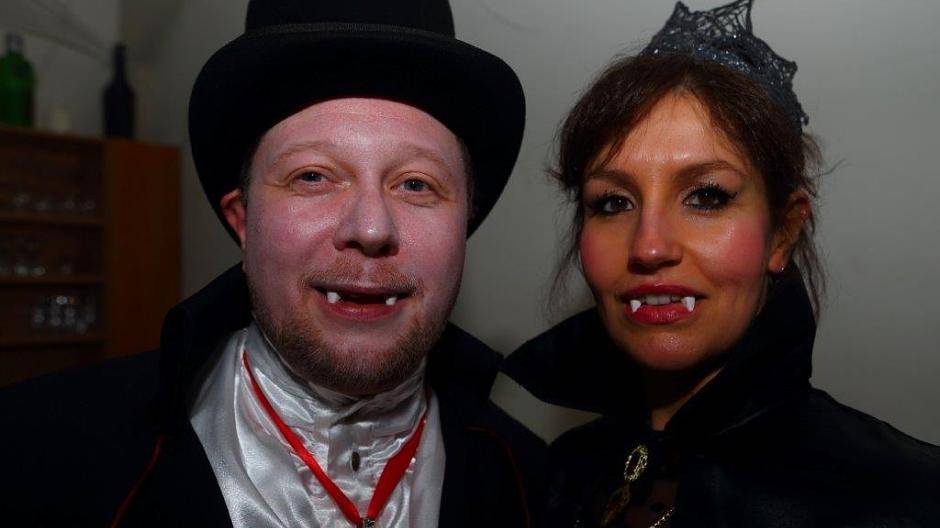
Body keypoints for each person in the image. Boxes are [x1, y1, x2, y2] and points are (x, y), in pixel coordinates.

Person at [1, 1, 544, 526]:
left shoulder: (540, 487)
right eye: (313, 176)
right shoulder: (34, 457)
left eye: (416, 184)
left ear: (462, 226)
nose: (371, 229)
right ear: (243, 221)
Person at [504, 1, 940, 526]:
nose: (648, 247)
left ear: (783, 232)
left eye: (707, 196)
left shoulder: (906, 499)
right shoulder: (551, 474)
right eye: (613, 202)